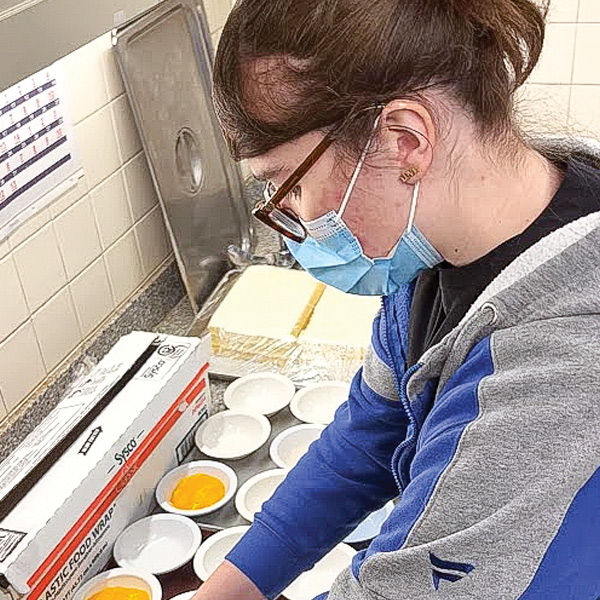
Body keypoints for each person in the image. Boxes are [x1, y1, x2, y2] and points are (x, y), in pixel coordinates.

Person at [194, 0, 600, 598]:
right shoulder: (435, 252)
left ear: (405, 140)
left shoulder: (560, 356)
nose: (291, 216)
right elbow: (371, 430)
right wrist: (228, 590)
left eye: (291, 183)